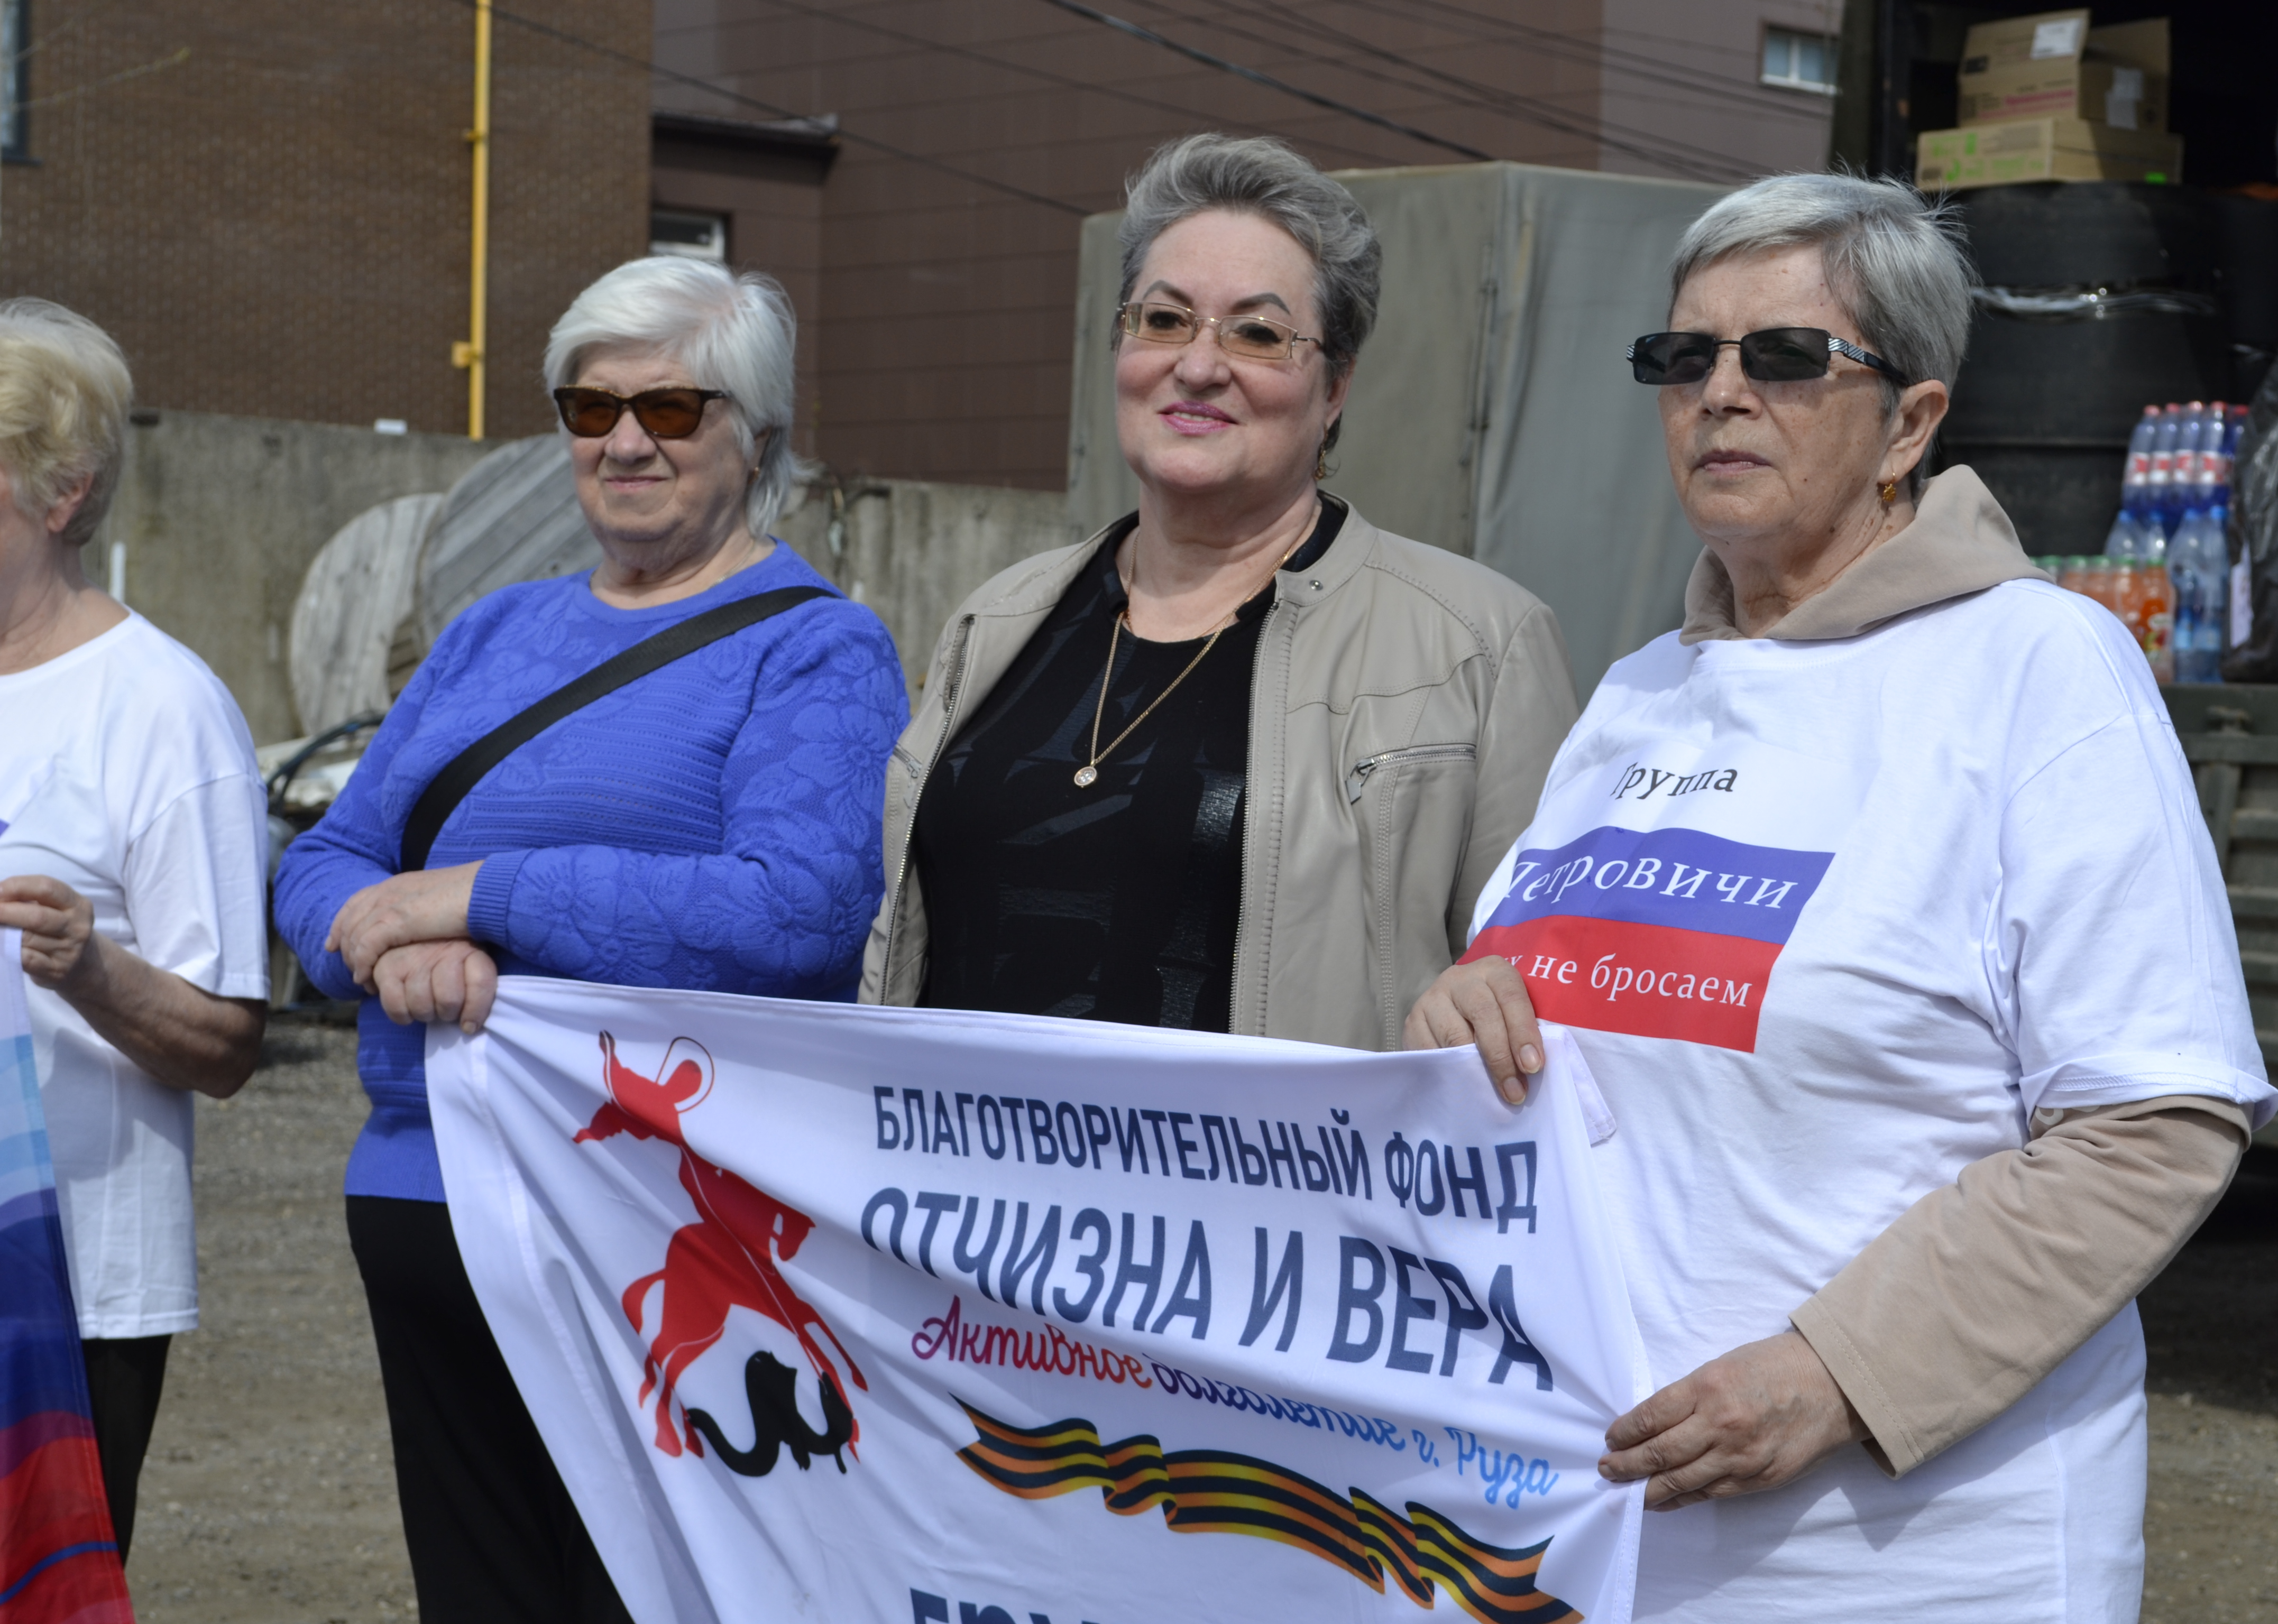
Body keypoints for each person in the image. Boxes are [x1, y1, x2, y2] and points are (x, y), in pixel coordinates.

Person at [1407, 172, 2275, 1620]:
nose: (1721, 393)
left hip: (1910, 1557)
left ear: (1912, 424)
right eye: (1685, 356)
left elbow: (2153, 1125)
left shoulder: (2038, 668)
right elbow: (1547, 1021)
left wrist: (1839, 1374)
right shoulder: (1640, 694)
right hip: (1602, 1534)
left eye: (1785, 356)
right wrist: (1463, 1012)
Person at [274, 257, 905, 1623]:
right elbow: (327, 858)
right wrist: (383, 947)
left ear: (759, 438)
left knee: (647, 1597)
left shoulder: (817, 651)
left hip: (657, 1217)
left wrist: (479, 896)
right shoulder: (492, 630)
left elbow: (796, 912)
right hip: (427, 1192)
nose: (625, 441)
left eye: (671, 408)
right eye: (589, 407)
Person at [861, 134, 1575, 1044]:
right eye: (1163, 320)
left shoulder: (1480, 645)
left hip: (1286, 1144)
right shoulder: (997, 619)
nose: (1198, 366)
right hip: (959, 1139)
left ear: (1335, 388)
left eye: (1258, 333)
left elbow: (1543, 1001)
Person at [0, 299, 268, 1558]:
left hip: (66, 1287)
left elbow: (227, 1046)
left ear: (62, 493)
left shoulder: (164, 706)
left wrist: (92, 971)